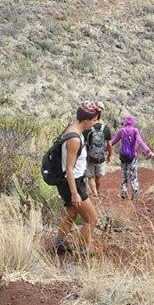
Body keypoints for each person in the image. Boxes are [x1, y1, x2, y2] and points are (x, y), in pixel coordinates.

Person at [55, 101, 102, 254]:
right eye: (94, 120)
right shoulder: (75, 139)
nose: (96, 123)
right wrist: (75, 192)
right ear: (86, 120)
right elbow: (69, 168)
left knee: (73, 213)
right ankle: (82, 252)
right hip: (72, 182)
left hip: (69, 181)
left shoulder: (72, 128)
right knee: (91, 219)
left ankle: (59, 245)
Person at [110, 115, 154, 200]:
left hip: (123, 156)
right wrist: (148, 151)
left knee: (124, 175)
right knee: (133, 176)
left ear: (126, 122)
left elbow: (113, 142)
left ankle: (124, 191)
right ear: (133, 122)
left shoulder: (121, 131)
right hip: (132, 157)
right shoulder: (135, 130)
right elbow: (140, 141)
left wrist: (104, 149)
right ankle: (135, 195)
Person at [83, 109, 113, 202]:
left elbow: (83, 144)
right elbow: (109, 144)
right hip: (101, 157)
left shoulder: (87, 129)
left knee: (90, 177)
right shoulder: (106, 129)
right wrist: (109, 155)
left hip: (89, 157)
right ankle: (97, 192)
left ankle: (95, 195)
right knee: (98, 177)